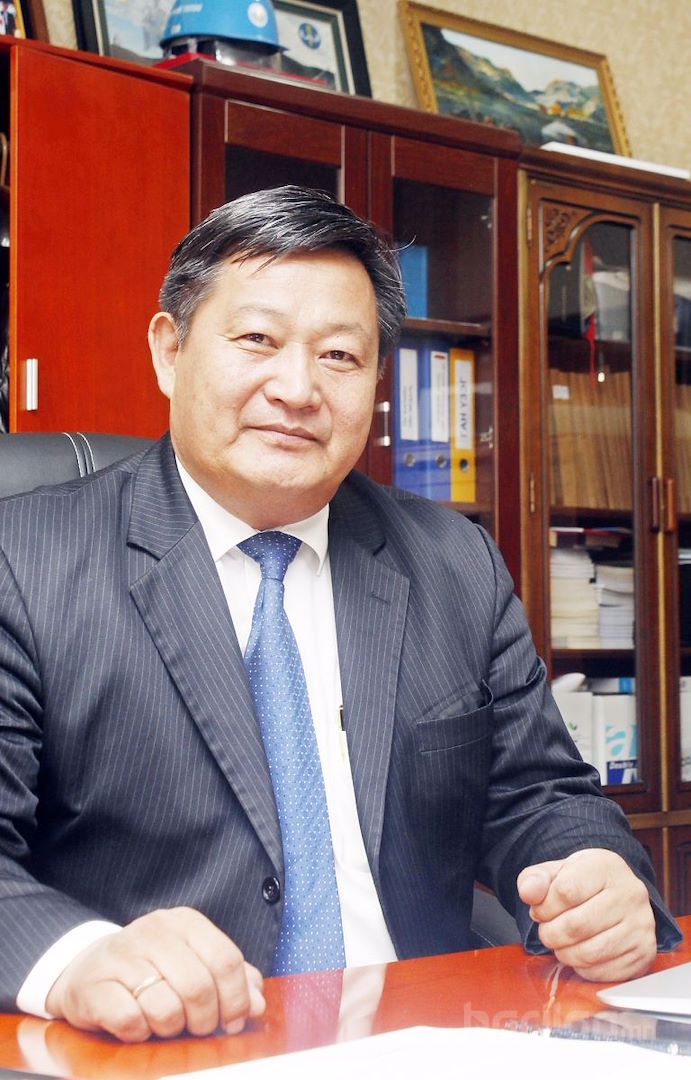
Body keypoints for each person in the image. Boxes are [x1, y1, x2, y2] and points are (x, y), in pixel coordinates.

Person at [0, 185, 681, 1044]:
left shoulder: (452, 561)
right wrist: (79, 959)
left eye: (338, 356)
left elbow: (536, 792)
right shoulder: (22, 561)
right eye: (257, 340)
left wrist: (595, 872)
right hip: (168, 1048)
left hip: (427, 1036)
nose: (297, 389)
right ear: (169, 351)